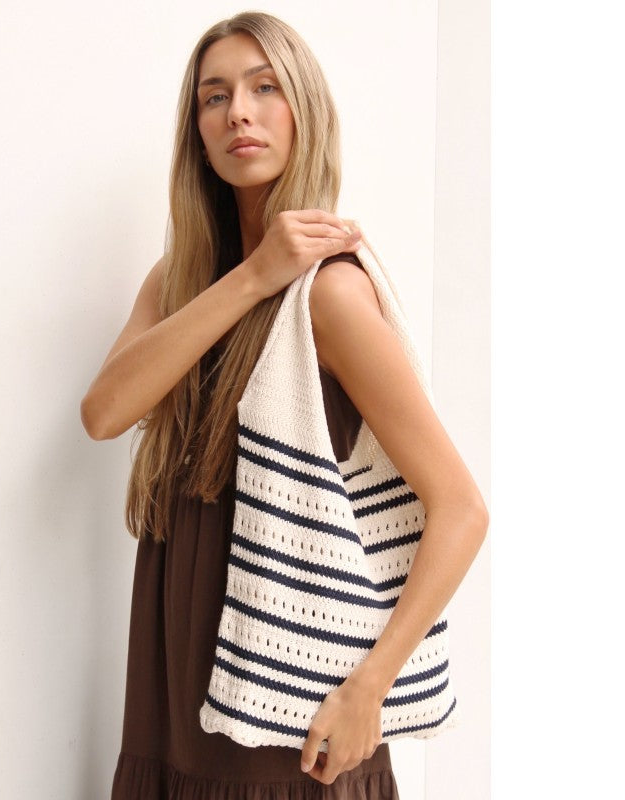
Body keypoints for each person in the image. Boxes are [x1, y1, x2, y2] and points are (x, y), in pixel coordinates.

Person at [81, 11, 488, 798]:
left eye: (265, 87)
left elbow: (461, 508)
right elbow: (104, 412)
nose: (239, 111)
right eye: (215, 96)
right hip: (173, 700)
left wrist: (368, 690)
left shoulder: (330, 295)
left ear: (305, 111)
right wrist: (253, 275)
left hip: (286, 703)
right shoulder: (181, 281)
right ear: (197, 132)